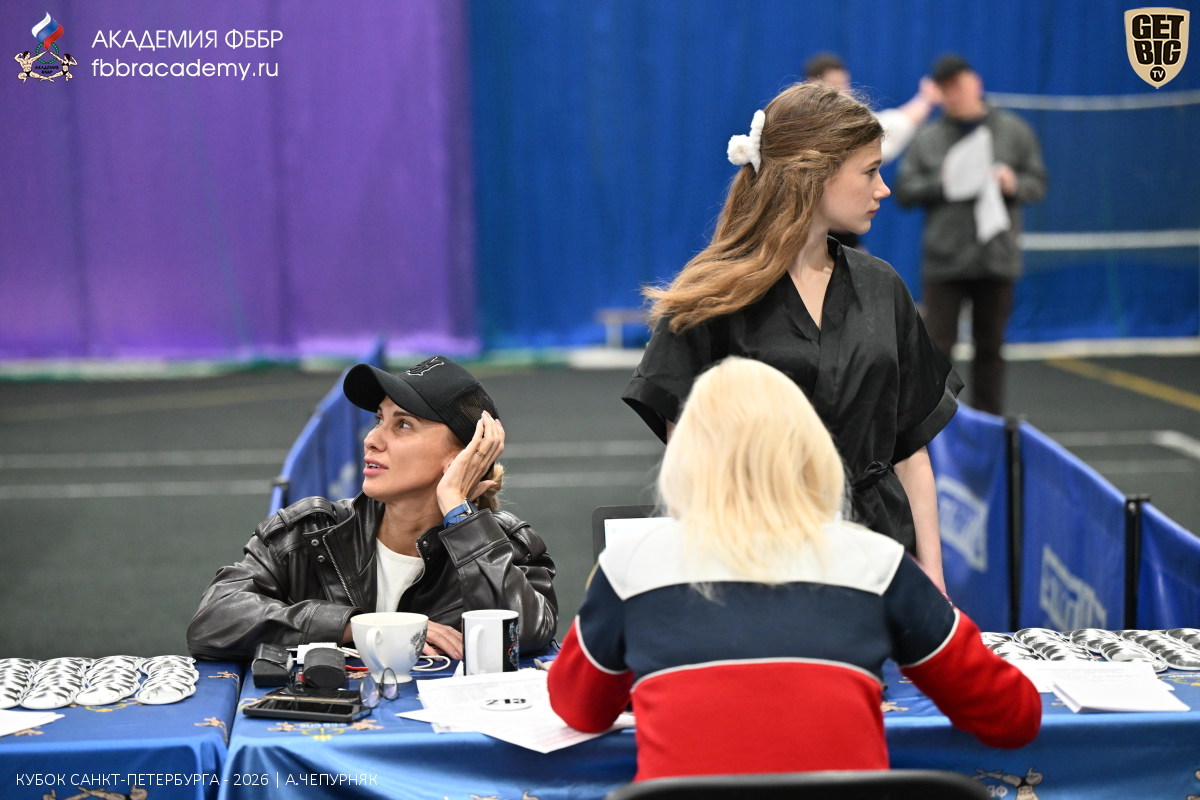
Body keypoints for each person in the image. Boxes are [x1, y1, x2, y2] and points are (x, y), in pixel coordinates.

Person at [552, 358, 1041, 781]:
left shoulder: (632, 565)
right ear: (811, 452)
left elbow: (577, 708)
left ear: (687, 459)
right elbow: (1012, 714)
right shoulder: (876, 563)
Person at [622, 81, 961, 590]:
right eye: (870, 171)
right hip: (756, 571)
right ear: (814, 174)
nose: (883, 188)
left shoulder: (882, 286)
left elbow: (910, 452)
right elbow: (688, 469)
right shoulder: (710, 298)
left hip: (879, 565)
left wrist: (932, 578)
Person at [187, 356, 558, 661]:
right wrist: (360, 626)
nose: (372, 439)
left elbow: (525, 634)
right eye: (380, 419)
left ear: (462, 456)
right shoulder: (307, 532)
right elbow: (212, 622)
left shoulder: (502, 546)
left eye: (403, 425)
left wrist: (459, 514)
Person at [894, 54, 1047, 415]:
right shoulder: (928, 139)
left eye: (959, 86)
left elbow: (1037, 182)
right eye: (946, 89)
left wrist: (1013, 184)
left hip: (996, 257)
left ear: (976, 83)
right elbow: (904, 190)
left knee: (990, 348)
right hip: (945, 260)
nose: (955, 95)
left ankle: (988, 424)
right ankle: (931, 425)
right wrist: (943, 182)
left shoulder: (1013, 131)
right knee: (936, 349)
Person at [804, 52, 941, 250]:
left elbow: (891, 127)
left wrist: (925, 99)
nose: (843, 93)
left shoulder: (851, 124)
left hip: (842, 236)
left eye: (845, 85)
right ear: (811, 86)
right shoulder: (812, 130)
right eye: (834, 85)